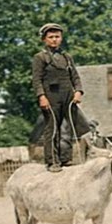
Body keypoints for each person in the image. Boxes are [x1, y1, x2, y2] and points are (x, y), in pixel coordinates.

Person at [31, 23, 86, 172]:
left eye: (57, 36)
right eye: (51, 37)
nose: (54, 39)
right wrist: (41, 96)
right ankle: (52, 161)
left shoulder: (67, 57)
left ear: (61, 38)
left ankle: (66, 159)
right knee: (52, 128)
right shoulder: (40, 57)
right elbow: (36, 80)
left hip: (68, 95)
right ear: (44, 39)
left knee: (68, 128)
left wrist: (78, 91)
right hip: (51, 96)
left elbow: (75, 76)